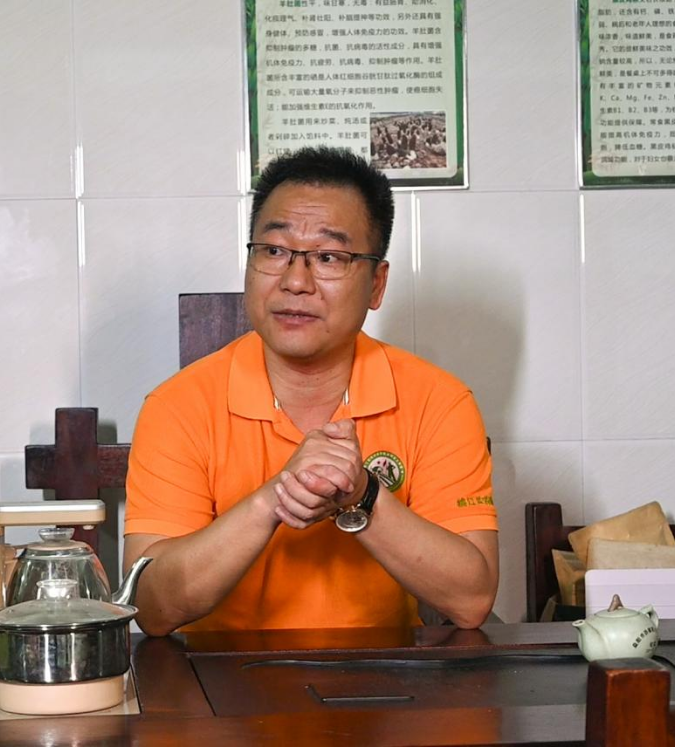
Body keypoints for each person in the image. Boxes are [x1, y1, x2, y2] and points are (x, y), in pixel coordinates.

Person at [122, 146, 498, 635]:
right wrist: (272, 500)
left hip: (382, 672)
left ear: (377, 284)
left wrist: (363, 495)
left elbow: (471, 600)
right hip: (214, 676)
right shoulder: (177, 406)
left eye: (328, 257)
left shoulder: (438, 401)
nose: (295, 281)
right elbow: (151, 608)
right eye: (274, 251)